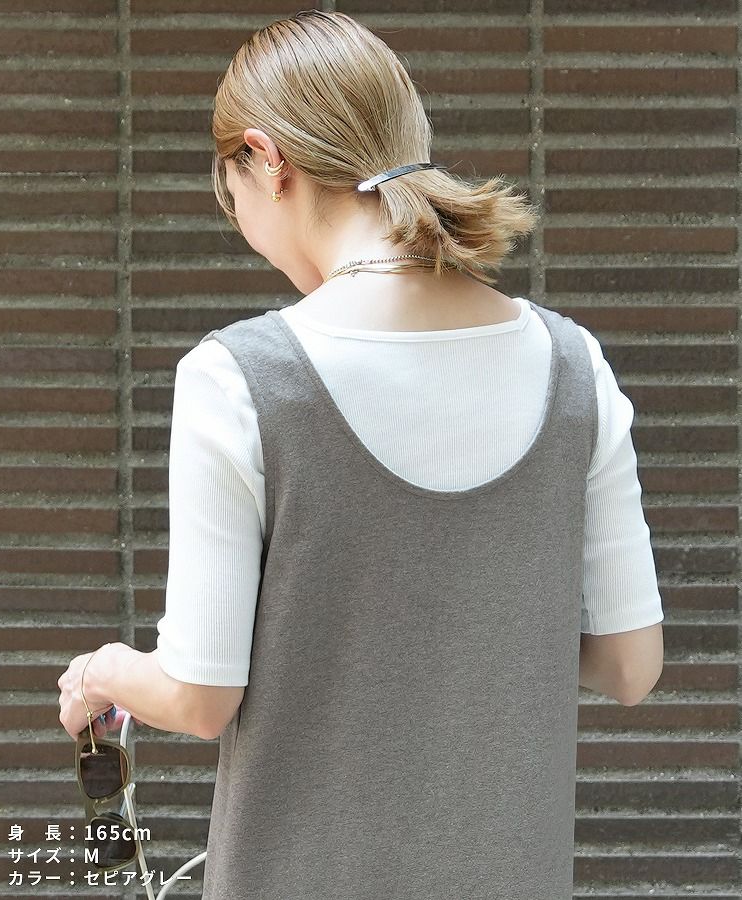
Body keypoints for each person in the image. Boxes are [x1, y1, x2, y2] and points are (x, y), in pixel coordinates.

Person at [57, 10, 665, 898]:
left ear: (267, 160)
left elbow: (198, 696)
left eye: (232, 195)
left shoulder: (239, 377)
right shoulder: (577, 368)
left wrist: (101, 673)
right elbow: (631, 668)